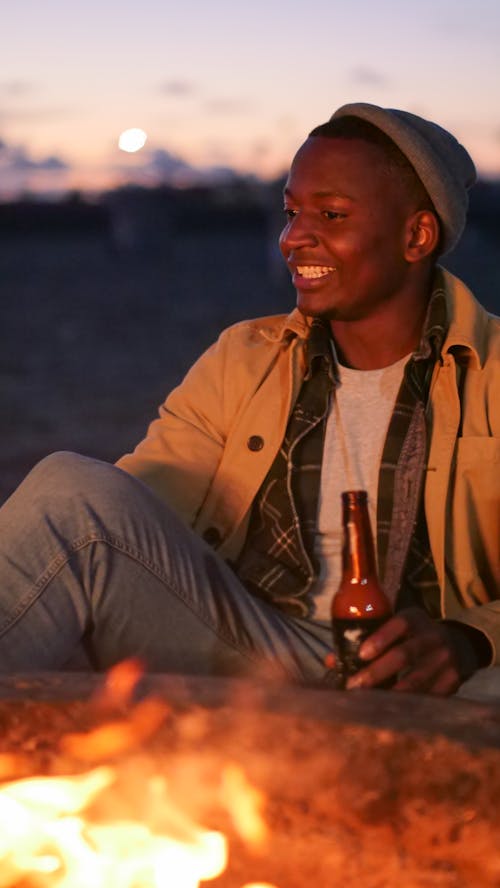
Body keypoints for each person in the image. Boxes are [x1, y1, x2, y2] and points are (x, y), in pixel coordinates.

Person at [0, 102, 498, 696]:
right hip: (259, 649)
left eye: (331, 214)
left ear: (417, 235)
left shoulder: (490, 372)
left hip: (431, 677)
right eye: (291, 213)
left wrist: (471, 639)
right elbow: (131, 519)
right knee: (71, 497)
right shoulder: (246, 358)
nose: (293, 238)